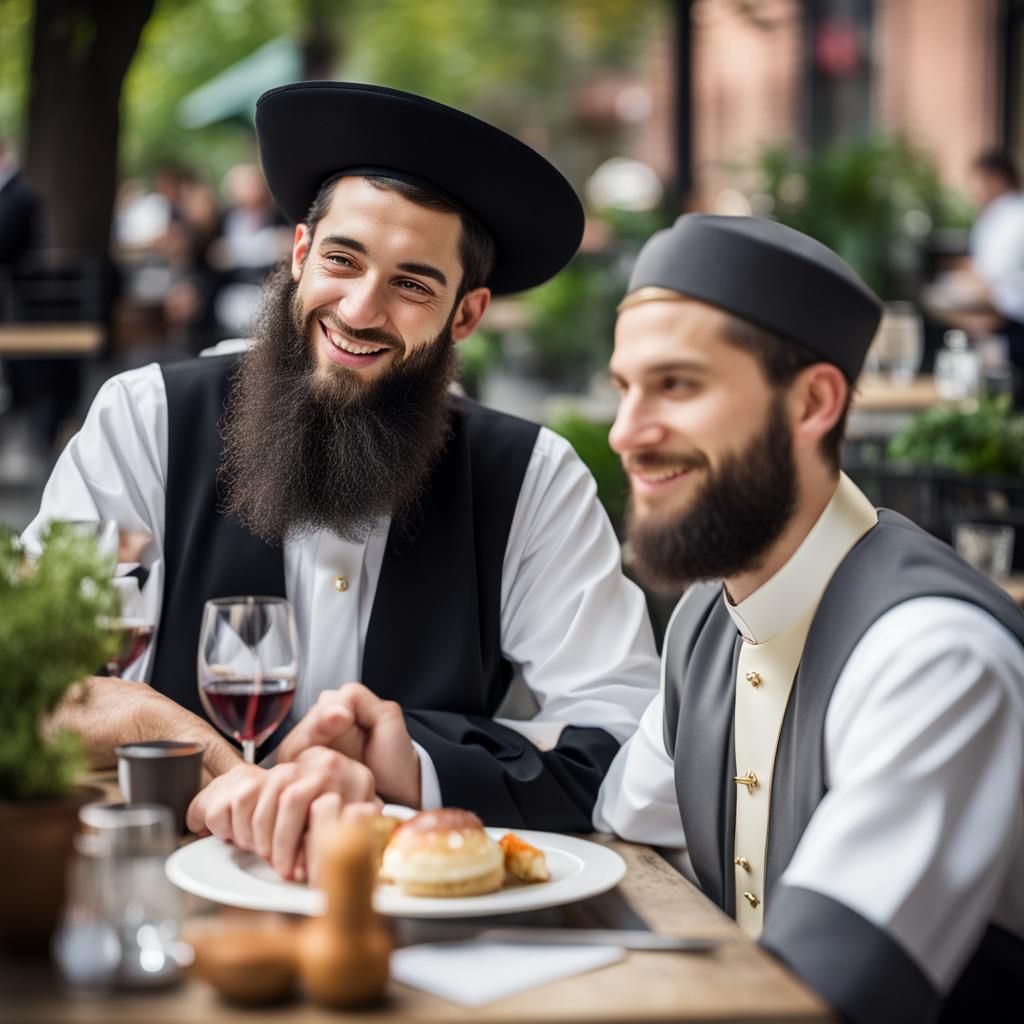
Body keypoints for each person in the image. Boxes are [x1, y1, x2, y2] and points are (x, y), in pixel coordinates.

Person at [24, 83, 658, 878]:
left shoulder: (530, 478)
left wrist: (412, 767)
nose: (361, 308)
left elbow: (627, 736)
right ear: (298, 254)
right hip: (164, 891)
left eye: (413, 284)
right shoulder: (145, 420)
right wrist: (200, 756)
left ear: (466, 315)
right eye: (342, 260)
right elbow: (30, 678)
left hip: (423, 915)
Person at [593, 213, 1024, 1023]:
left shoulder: (935, 658)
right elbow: (622, 827)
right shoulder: (706, 618)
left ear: (814, 401)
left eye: (677, 385)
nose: (626, 433)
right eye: (624, 387)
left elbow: (830, 991)